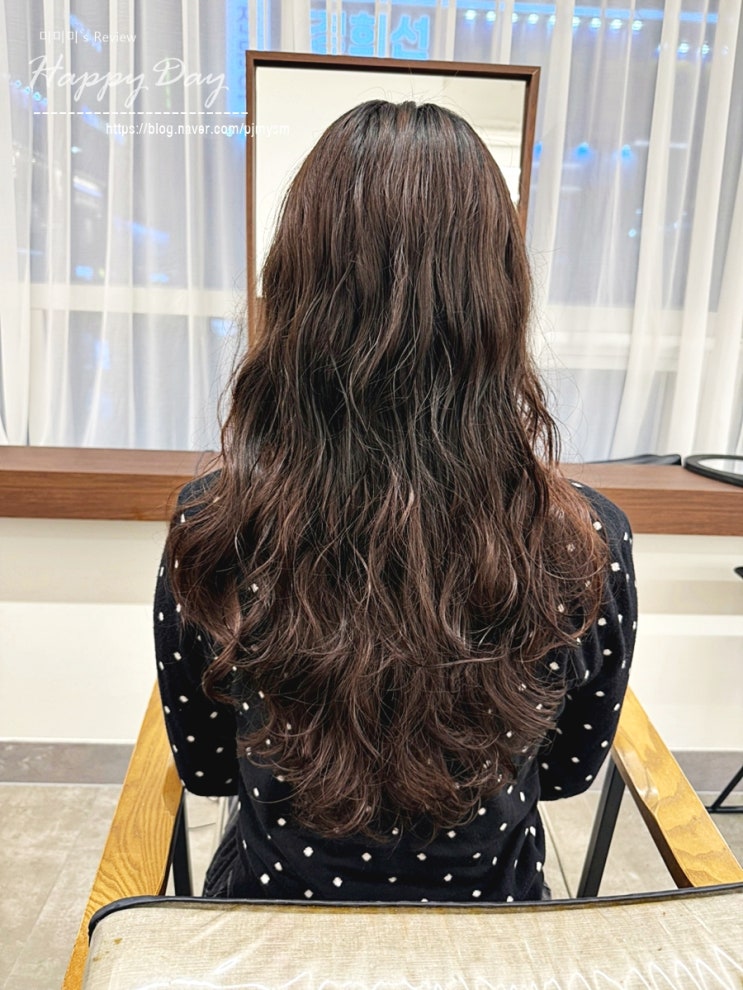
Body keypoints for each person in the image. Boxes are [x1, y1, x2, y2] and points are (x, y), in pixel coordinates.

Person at [155, 100, 636, 903]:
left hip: (268, 929)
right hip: (493, 931)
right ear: (497, 298)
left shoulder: (216, 524)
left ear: (295, 290)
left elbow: (207, 768)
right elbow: (566, 773)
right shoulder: (583, 538)